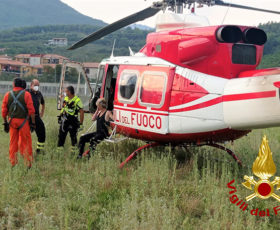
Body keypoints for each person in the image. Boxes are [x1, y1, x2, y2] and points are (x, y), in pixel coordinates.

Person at [1, 77, 35, 168]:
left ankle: (13, 163)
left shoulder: (7, 95)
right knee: (26, 142)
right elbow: (31, 111)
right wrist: (33, 123)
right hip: (24, 122)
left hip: (12, 122)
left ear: (14, 84)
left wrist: (5, 122)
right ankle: (28, 164)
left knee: (13, 142)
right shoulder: (26, 94)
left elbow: (4, 111)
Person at [57, 86, 84, 153]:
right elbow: (63, 107)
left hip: (73, 121)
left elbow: (81, 112)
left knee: (73, 137)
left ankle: (74, 153)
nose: (65, 93)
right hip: (64, 120)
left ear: (69, 92)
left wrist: (81, 123)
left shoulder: (77, 100)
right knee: (61, 136)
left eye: (66, 91)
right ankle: (59, 153)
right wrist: (60, 116)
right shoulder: (66, 98)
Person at [26, 79, 46, 154]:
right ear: (31, 85)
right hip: (27, 117)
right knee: (25, 135)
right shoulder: (26, 92)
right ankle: (25, 151)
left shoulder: (39, 94)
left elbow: (43, 103)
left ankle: (39, 150)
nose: (37, 87)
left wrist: (42, 111)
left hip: (36, 116)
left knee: (42, 132)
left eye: (38, 85)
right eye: (35, 85)